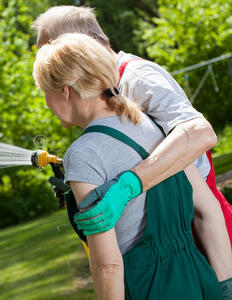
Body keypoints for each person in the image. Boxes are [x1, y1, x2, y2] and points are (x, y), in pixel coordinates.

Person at [32, 32, 232, 299]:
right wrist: (225, 287)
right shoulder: (153, 125)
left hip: (146, 288)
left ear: (64, 91)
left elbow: (108, 265)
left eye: (45, 92)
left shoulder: (81, 155)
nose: (47, 104)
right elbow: (207, 210)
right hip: (198, 277)